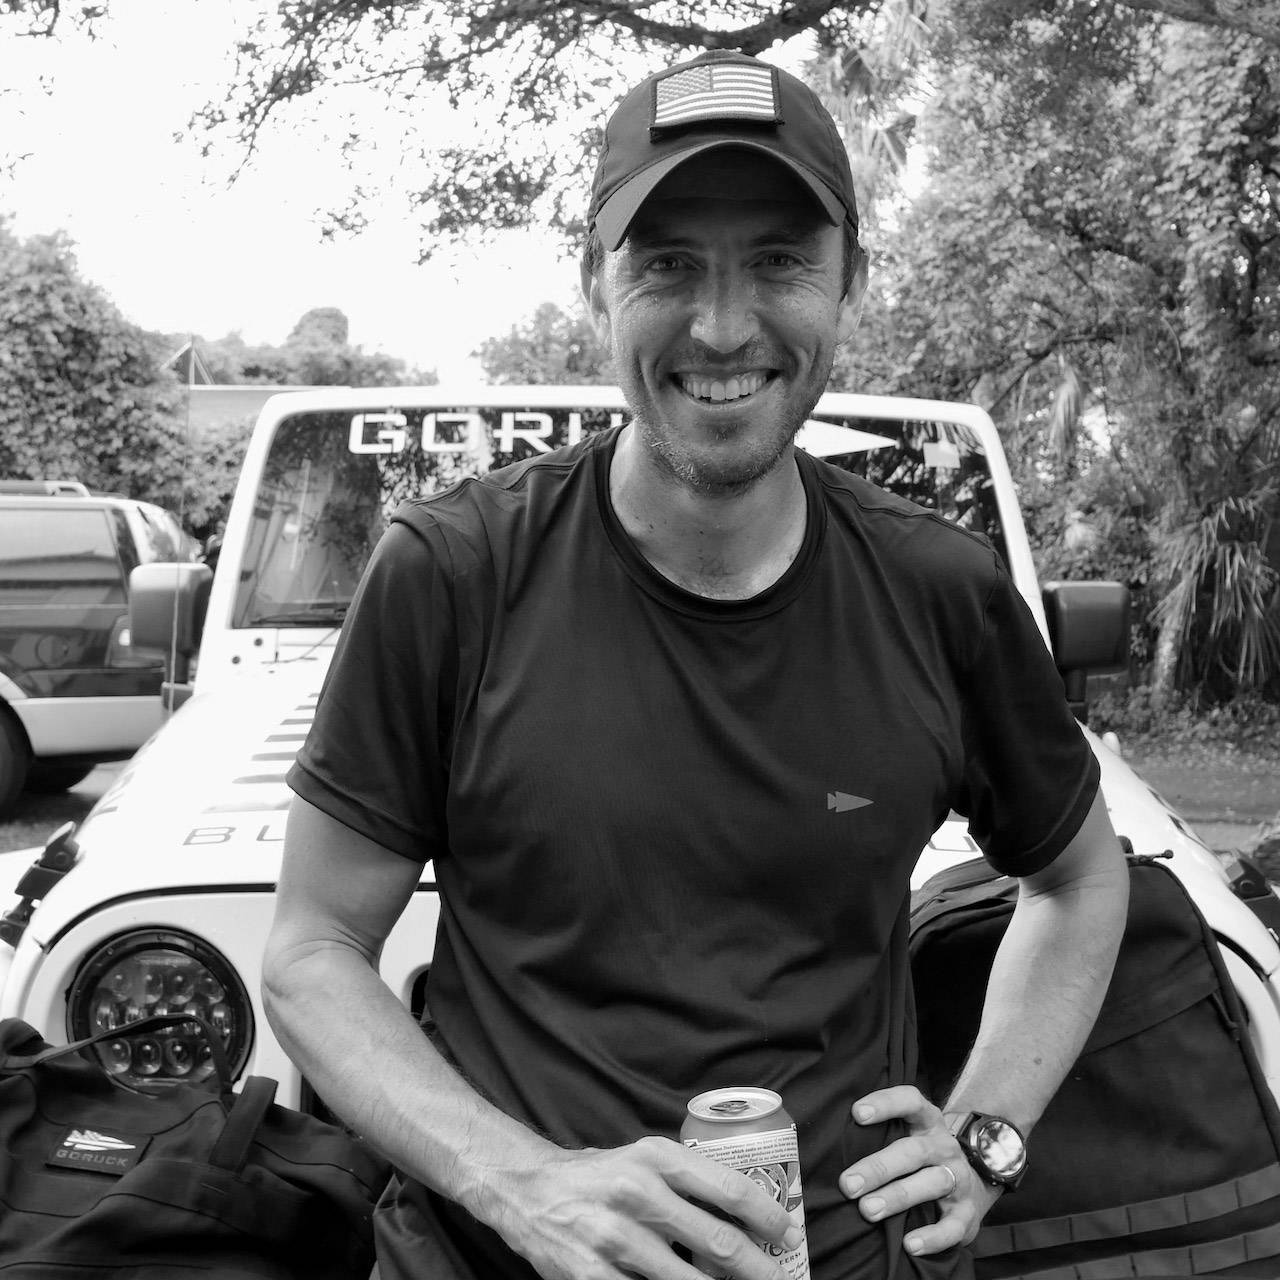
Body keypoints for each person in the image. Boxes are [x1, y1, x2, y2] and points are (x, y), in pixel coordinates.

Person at [263, 49, 1130, 1280]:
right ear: (593, 284)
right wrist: (526, 1189)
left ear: (849, 283)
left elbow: (1078, 885)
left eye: (777, 260)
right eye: (666, 262)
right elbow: (309, 951)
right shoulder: (452, 573)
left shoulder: (937, 591)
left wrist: (986, 1135)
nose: (722, 327)